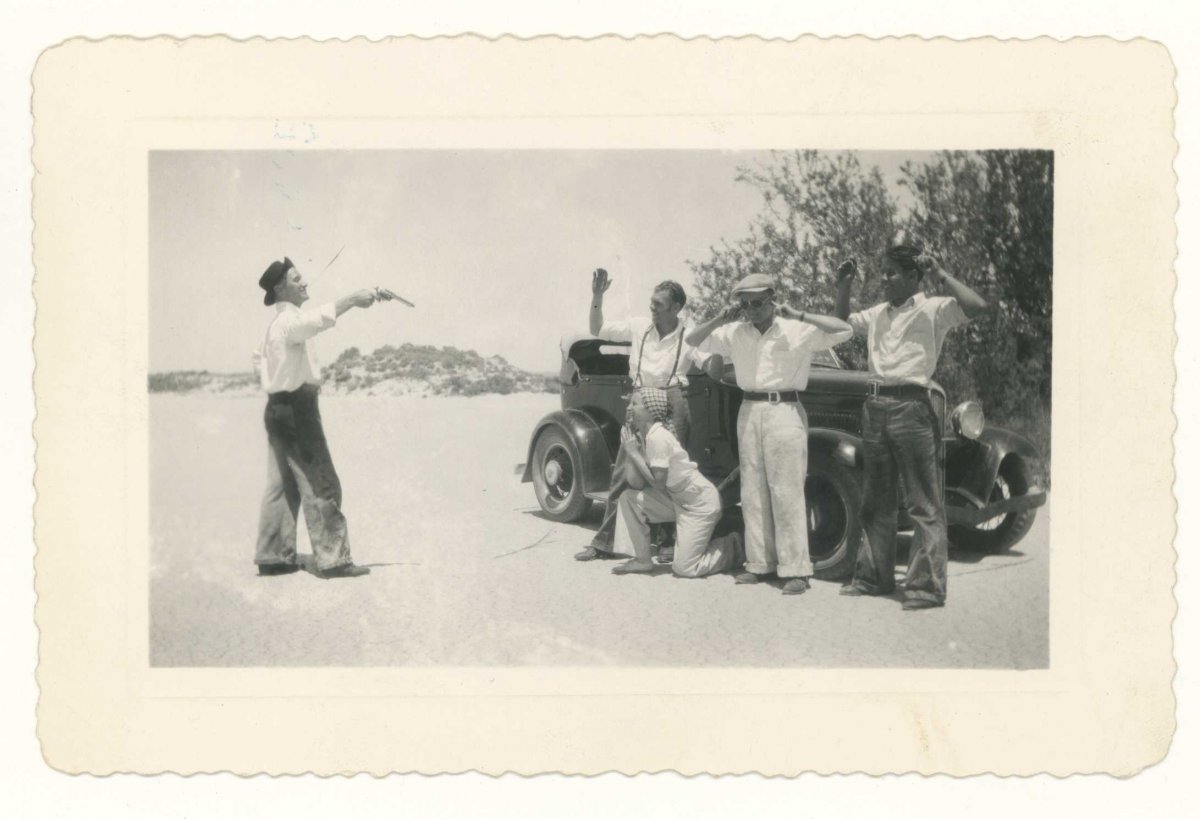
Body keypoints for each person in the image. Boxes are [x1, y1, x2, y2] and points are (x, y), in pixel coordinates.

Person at [833, 242, 989, 610]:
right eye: (882, 271)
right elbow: (841, 326)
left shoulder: (934, 308)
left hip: (914, 407)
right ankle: (873, 577)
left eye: (891, 272)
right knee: (876, 501)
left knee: (923, 501)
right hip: (875, 407)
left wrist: (942, 276)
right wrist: (843, 286)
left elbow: (978, 307)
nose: (884, 279)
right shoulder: (876, 313)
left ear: (913, 277)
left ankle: (925, 587)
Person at [686, 274, 853, 595]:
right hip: (749, 410)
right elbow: (693, 340)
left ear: (773, 299)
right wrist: (721, 317)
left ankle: (796, 570)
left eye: (759, 303)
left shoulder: (796, 329)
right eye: (745, 305)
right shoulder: (734, 332)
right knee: (752, 490)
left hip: (785, 409)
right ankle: (759, 564)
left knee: (787, 490)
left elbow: (843, 330)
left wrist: (800, 315)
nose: (752, 310)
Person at [252, 256, 398, 579]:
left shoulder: (274, 327)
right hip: (298, 411)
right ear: (280, 288)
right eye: (296, 279)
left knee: (282, 484)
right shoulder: (289, 322)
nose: (305, 283)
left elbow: (257, 360)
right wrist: (353, 299)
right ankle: (333, 559)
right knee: (321, 483)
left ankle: (273, 556)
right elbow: (316, 320)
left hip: (276, 409)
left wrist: (277, 384)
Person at [575, 268, 711, 562]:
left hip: (674, 404)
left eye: (658, 305)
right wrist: (597, 297)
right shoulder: (639, 327)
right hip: (640, 402)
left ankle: (666, 543)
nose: (651, 309)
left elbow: (706, 359)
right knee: (625, 470)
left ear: (676, 308)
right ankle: (605, 542)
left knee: (669, 474)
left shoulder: (690, 334)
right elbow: (598, 329)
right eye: (651, 303)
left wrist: (714, 362)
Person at [609, 389, 743, 578]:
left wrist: (633, 453)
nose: (629, 407)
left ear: (650, 411)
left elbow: (658, 484)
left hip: (699, 504)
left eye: (635, 403)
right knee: (628, 498)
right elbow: (635, 484)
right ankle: (642, 560)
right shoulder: (645, 435)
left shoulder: (658, 437)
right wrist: (631, 448)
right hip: (676, 499)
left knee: (685, 569)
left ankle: (735, 546)